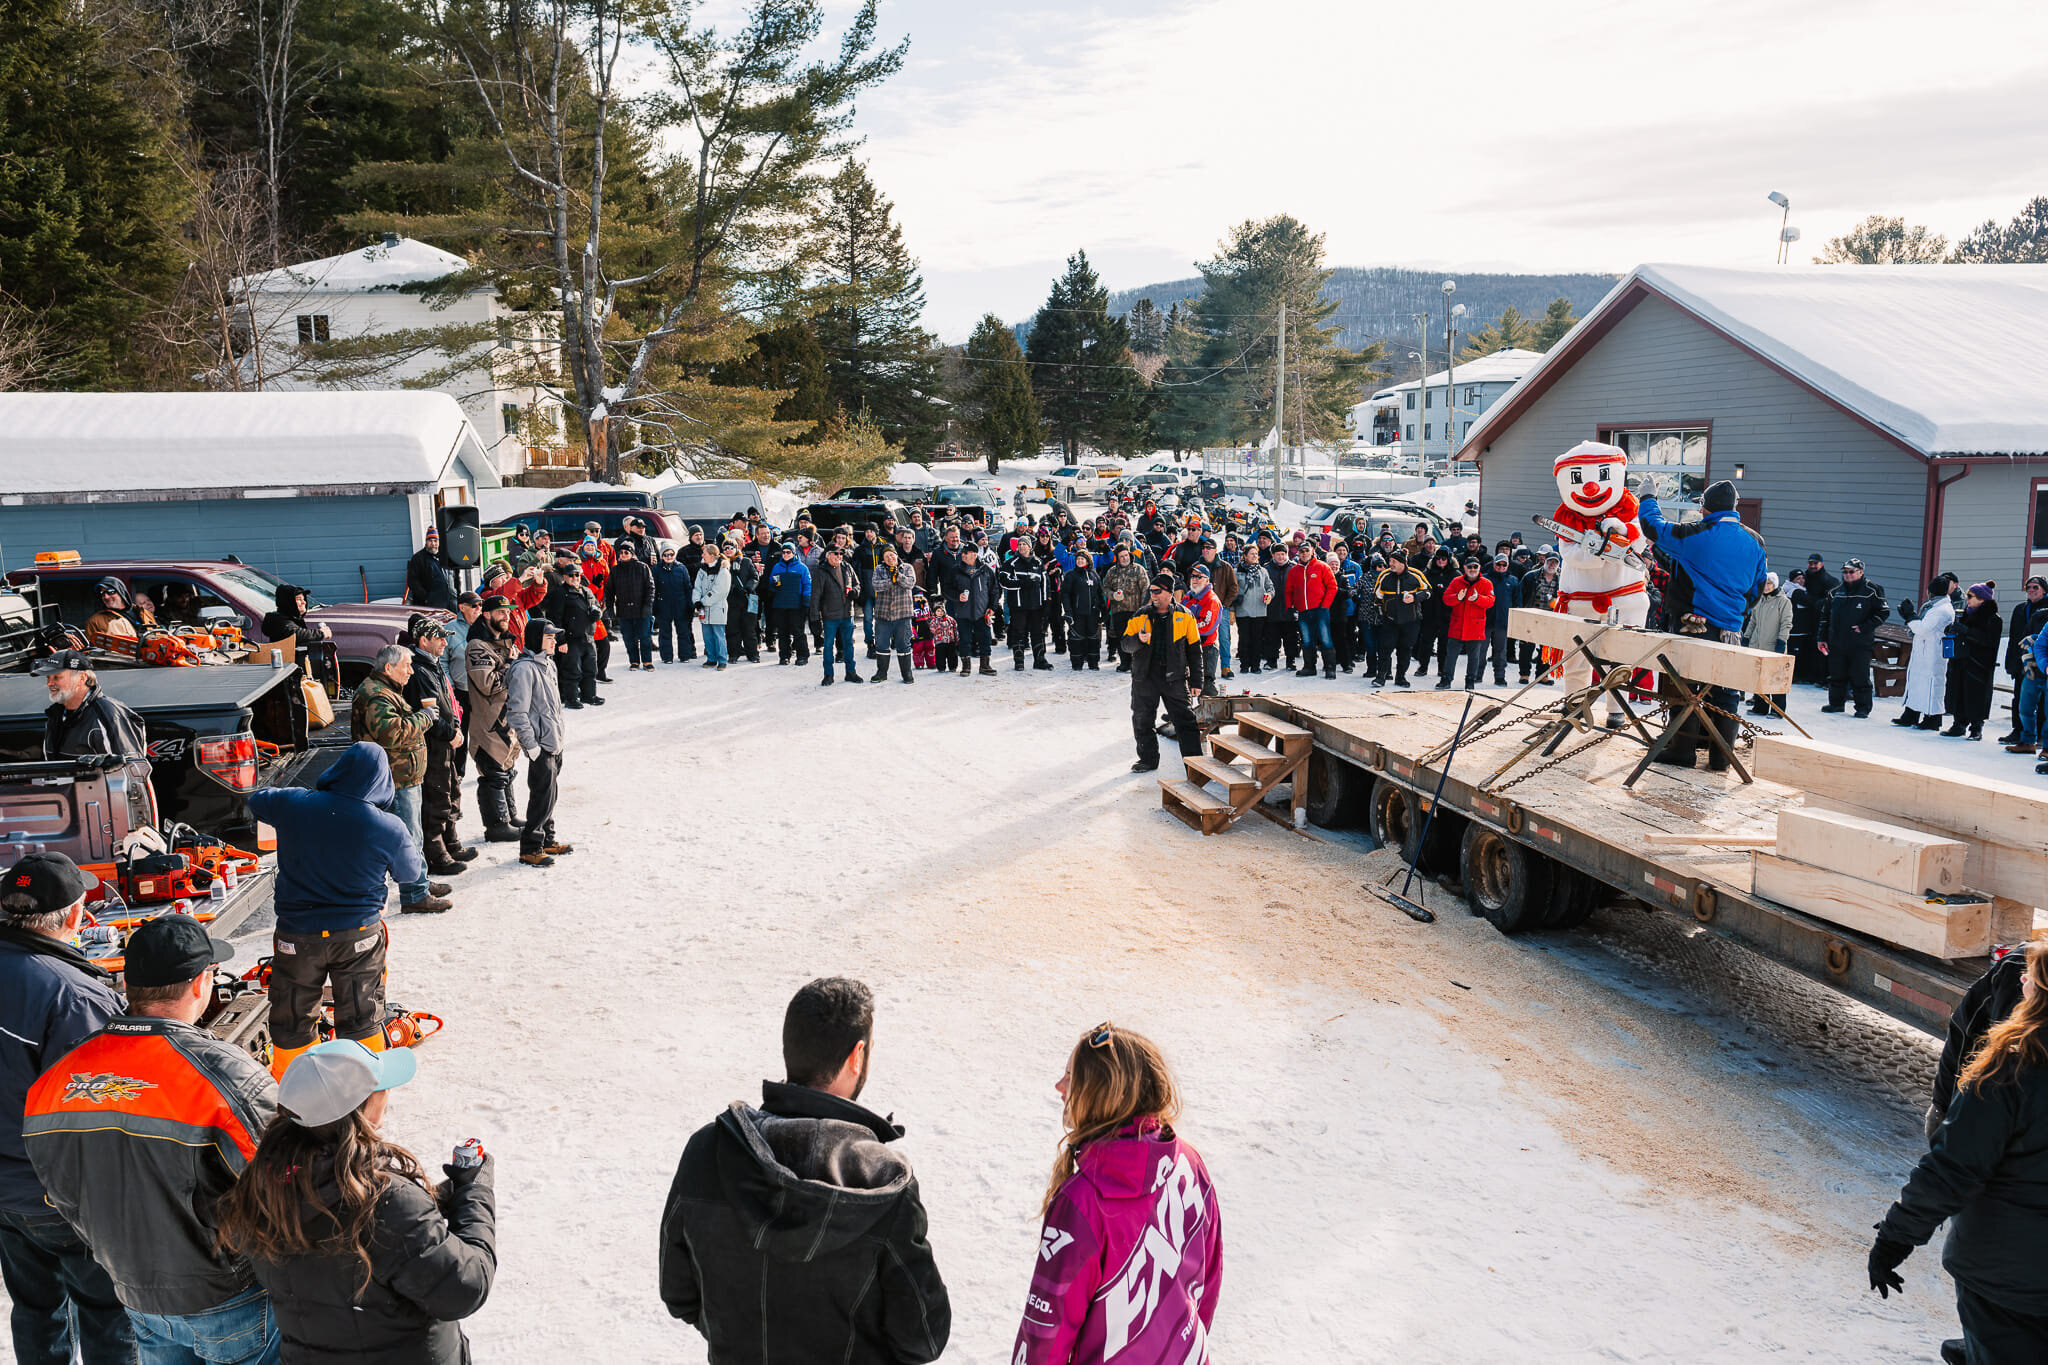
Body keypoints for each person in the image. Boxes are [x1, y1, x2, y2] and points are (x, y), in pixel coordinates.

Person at [24, 916, 281, 1365]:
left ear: (129, 983)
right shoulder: (223, 1074)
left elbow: (61, 1193)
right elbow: (286, 1184)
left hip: (135, 1295)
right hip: (230, 1297)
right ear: (202, 982)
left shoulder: (58, 1077)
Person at [659, 978, 950, 1365]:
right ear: (857, 1056)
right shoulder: (883, 1181)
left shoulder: (706, 1151)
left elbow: (679, 1294)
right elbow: (923, 1338)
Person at [216, 1041, 496, 1364]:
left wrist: (444, 1197)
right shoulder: (386, 1205)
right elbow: (465, 1287)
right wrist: (476, 1191)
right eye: (380, 1088)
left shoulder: (263, 1188)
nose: (387, 1094)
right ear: (360, 1110)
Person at [1871, 939, 2048, 1364]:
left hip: (2004, 1281)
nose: (2020, 979)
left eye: (2031, 978)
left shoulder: (2014, 1065)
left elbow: (1953, 1168)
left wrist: (1894, 1239)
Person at [1011, 1022, 1221, 1365]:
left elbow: (1046, 1334)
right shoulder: (1189, 1161)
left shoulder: (1082, 1202)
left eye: (1070, 1077)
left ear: (1100, 1094)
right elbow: (1207, 1284)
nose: (1059, 1087)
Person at [0, 853, 135, 1365]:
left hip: (8, 1193)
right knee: (106, 1311)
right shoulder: (72, 994)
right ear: (77, 917)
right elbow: (107, 1107)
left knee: (35, 1307)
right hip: (61, 1194)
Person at [247, 742, 429, 1079]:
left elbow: (256, 800)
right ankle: (363, 1094)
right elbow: (411, 875)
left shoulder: (295, 804)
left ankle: (295, 1092)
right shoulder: (387, 826)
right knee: (362, 1015)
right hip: (357, 935)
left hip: (296, 935)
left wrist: (303, 800)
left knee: (292, 1017)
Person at [1638, 479, 1768, 766]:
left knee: (1685, 687)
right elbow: (1758, 587)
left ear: (1705, 506)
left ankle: (1682, 751)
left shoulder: (1698, 532)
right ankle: (1722, 757)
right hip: (1732, 628)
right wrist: (1735, 613)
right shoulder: (1755, 541)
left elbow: (1653, 526)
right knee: (1725, 690)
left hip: (1693, 623)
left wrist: (1648, 496)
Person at [351, 644, 447, 912]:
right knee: (408, 838)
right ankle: (415, 894)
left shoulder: (385, 690)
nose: (411, 671)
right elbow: (393, 733)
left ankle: (420, 883)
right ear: (389, 668)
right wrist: (425, 718)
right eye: (407, 665)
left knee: (411, 835)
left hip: (402, 777)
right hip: (395, 779)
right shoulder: (376, 695)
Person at [404, 618, 471, 879]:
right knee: (436, 798)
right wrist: (449, 731)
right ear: (423, 640)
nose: (445, 642)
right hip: (433, 745)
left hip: (446, 740)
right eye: (439, 637)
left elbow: (448, 702)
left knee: (452, 791)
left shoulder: (433, 665)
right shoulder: (420, 670)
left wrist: (455, 727)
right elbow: (428, 712)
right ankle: (436, 855)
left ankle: (451, 843)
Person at [504, 617, 571, 868]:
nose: (554, 641)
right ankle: (531, 847)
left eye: (554, 637)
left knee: (550, 794)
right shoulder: (524, 669)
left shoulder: (548, 665)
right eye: (549, 637)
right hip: (540, 744)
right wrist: (531, 746)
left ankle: (547, 838)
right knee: (541, 795)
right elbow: (517, 712)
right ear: (535, 639)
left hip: (554, 741)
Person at [1122, 573, 1203, 773]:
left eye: (1157, 591)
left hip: (1174, 679)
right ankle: (1148, 760)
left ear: (1169, 593)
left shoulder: (1185, 615)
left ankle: (1195, 766)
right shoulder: (1140, 615)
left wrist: (1197, 681)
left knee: (1186, 722)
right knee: (1142, 720)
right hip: (1145, 677)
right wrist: (1138, 640)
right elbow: (1125, 645)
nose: (1153, 595)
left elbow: (1194, 651)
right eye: (1151, 591)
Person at [465, 595, 524, 843]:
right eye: (500, 612)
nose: (506, 616)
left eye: (508, 612)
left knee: (508, 769)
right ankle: (496, 825)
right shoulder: (477, 646)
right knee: (493, 774)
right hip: (489, 723)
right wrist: (511, 663)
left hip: (508, 720)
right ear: (486, 614)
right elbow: (488, 684)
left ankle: (509, 816)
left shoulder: (505, 643)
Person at [1819, 558, 1888, 717]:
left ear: (1861, 572)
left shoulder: (1872, 590)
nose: (1848, 575)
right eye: (1845, 572)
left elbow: (1883, 613)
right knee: (1836, 674)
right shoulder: (1835, 592)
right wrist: (1821, 638)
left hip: (1860, 642)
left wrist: (1864, 627)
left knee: (1860, 675)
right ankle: (1836, 703)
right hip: (1837, 641)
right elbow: (1824, 616)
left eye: (1851, 571)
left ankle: (1863, 707)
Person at [1942, 584, 2003, 740]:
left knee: (1977, 696)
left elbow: (1989, 641)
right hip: (1961, 660)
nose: (1967, 599)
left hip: (1979, 663)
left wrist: (1967, 631)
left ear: (1982, 599)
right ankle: (1958, 723)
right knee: (1958, 692)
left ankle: (1976, 727)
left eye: (1970, 596)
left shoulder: (1993, 618)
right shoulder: (1966, 614)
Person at [543, 552, 605, 708]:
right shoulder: (560, 594)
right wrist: (561, 640)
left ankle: (589, 695)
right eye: (571, 575)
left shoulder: (586, 591)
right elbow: (555, 619)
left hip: (588, 636)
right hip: (571, 639)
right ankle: (571, 698)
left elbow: (597, 606)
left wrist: (598, 613)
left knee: (590, 668)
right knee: (572, 670)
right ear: (565, 577)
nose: (575, 578)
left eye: (577, 575)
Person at [1897, 575, 1957, 732]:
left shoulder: (1941, 610)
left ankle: (1933, 719)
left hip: (1933, 653)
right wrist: (1909, 618)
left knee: (1932, 685)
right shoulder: (1933, 606)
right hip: (1923, 650)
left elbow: (1923, 628)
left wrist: (1910, 616)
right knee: (1917, 682)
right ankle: (1911, 713)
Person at [2000, 578, 2048, 750]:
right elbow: (2014, 638)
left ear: (2044, 590)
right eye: (2028, 588)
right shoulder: (2021, 609)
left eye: (2036, 587)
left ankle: (2041, 736)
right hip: (2025, 660)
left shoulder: (2046, 609)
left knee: (2042, 702)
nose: (2031, 590)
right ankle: (2019, 731)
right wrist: (2011, 662)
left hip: (2042, 663)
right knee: (2021, 698)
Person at [1373, 551, 1431, 688]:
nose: (1390, 564)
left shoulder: (1415, 575)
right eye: (1390, 561)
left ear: (1402, 563)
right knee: (1385, 649)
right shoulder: (1385, 575)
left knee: (1405, 649)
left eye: (1394, 561)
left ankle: (1400, 677)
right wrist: (1382, 612)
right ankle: (1380, 676)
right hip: (1390, 620)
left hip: (1411, 621)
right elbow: (1377, 597)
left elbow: (1428, 591)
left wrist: (1415, 597)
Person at [262, 583, 335, 687]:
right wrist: (321, 633)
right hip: (286, 679)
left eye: (303, 599)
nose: (304, 602)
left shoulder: (292, 618)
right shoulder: (279, 620)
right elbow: (295, 634)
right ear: (288, 602)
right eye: (298, 599)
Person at [811, 543, 863, 686]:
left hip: (847, 613)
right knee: (828, 646)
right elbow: (815, 597)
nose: (839, 556)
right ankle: (828, 675)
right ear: (828, 554)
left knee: (849, 645)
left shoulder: (847, 567)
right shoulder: (821, 572)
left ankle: (850, 672)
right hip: (830, 616)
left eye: (841, 554)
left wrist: (855, 592)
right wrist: (815, 618)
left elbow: (857, 584)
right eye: (836, 553)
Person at [1440, 556, 1494, 690]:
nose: (1472, 569)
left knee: (1474, 658)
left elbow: (1490, 601)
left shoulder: (1486, 583)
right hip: (1457, 625)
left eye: (1475, 566)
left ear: (1479, 567)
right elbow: (1446, 598)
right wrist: (1457, 598)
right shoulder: (1456, 581)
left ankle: (1470, 680)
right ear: (1464, 568)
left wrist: (1477, 599)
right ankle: (1446, 679)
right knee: (1451, 656)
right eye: (1469, 566)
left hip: (1475, 627)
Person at [1744, 572, 1794, 716]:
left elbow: (1786, 623)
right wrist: (1747, 637)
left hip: (1773, 645)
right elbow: (1753, 621)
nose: (1766, 587)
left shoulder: (1783, 602)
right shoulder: (1759, 601)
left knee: (1775, 678)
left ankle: (1778, 710)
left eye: (1769, 583)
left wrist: (1781, 641)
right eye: (1764, 583)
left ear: (1775, 584)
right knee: (1759, 678)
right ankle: (1760, 708)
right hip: (1757, 645)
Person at [1286, 546, 1338, 680]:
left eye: (1307, 551)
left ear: (1312, 552)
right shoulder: (1294, 570)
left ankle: (1330, 668)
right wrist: (1290, 607)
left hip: (1320, 610)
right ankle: (1309, 667)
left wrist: (1325, 606)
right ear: (1298, 553)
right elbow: (1289, 591)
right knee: (1307, 640)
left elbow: (1332, 586)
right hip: (1303, 611)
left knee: (1325, 638)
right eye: (1301, 551)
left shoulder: (1322, 567)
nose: (1304, 554)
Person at [606, 538, 657, 672]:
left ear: (632, 553)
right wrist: (610, 609)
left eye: (626, 552)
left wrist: (648, 606)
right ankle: (634, 661)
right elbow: (609, 591)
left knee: (644, 637)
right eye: (621, 553)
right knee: (629, 638)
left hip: (641, 609)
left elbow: (650, 588)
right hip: (624, 610)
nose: (623, 555)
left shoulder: (642, 567)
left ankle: (647, 661)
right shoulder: (615, 570)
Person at [870, 548, 918, 684]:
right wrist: (891, 581)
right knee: (881, 644)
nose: (890, 558)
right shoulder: (879, 569)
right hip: (883, 615)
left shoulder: (907, 567)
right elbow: (876, 585)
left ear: (896, 555)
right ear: (883, 559)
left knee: (904, 644)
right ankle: (881, 673)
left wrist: (898, 577)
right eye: (886, 556)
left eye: (891, 555)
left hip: (903, 614)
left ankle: (907, 673)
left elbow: (910, 583)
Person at [950, 543, 998, 676]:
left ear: (974, 554)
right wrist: (957, 596)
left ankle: (985, 665)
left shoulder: (985, 569)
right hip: (963, 612)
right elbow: (947, 589)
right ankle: (966, 666)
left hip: (982, 612)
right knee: (964, 639)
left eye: (966, 552)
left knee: (985, 639)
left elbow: (994, 590)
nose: (963, 555)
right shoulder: (956, 570)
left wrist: (992, 608)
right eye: (963, 552)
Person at [765, 543, 813, 666]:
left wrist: (806, 601)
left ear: (793, 553)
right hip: (780, 603)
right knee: (783, 632)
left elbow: (807, 584)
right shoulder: (777, 567)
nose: (786, 554)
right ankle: (784, 656)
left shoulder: (802, 568)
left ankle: (802, 655)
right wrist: (774, 585)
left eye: (788, 552)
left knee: (798, 631)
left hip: (796, 604)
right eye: (784, 552)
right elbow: (772, 582)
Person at [1103, 546, 1148, 674]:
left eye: (1126, 555)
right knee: (1121, 638)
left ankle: (1137, 664)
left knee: (1136, 638)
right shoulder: (1112, 571)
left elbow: (1146, 589)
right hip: (1118, 610)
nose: (1124, 558)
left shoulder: (1138, 570)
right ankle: (1125, 663)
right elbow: (1105, 588)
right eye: (1121, 556)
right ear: (1118, 558)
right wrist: (1113, 595)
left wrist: (1144, 608)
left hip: (1136, 611)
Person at [1062, 547, 1105, 672]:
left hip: (1092, 613)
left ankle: (1093, 663)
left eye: (1082, 559)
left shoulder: (1094, 574)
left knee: (1093, 638)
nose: (1080, 561)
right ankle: (1077, 663)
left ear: (1088, 561)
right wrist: (1068, 612)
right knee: (1077, 638)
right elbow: (1065, 595)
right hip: (1077, 613)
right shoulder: (1071, 575)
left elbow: (1100, 593)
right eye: (1078, 559)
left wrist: (1103, 610)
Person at [653, 544, 696, 664]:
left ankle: (685, 655)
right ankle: (667, 656)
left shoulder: (681, 568)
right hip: (664, 604)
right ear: (662, 556)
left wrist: (690, 605)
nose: (668, 557)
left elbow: (688, 587)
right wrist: (654, 606)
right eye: (666, 555)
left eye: (671, 554)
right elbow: (653, 589)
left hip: (680, 604)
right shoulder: (656, 569)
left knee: (683, 631)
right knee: (665, 632)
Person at [1233, 546, 1272, 676]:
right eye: (1251, 554)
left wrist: (1270, 595)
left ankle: (1255, 665)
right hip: (1243, 610)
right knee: (1244, 639)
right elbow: (1233, 591)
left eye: (1256, 554)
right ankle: (1244, 664)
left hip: (1259, 610)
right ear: (1245, 555)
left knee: (1257, 639)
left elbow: (1270, 587)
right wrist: (1232, 610)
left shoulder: (1263, 571)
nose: (1254, 556)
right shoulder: (1237, 571)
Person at [1482, 551, 1519, 685]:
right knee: (1481, 650)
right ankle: (1476, 675)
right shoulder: (1485, 578)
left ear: (1508, 566)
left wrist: (1514, 621)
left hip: (1502, 622)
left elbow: (1516, 602)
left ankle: (1499, 677)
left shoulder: (1513, 581)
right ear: (1493, 564)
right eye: (1498, 564)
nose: (1501, 567)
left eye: (1504, 565)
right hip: (1485, 620)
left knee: (1500, 651)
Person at [695, 544, 733, 671]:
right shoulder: (702, 570)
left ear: (712, 555)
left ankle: (722, 659)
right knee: (707, 636)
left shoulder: (723, 571)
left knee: (718, 635)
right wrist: (696, 601)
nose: (702, 556)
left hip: (717, 608)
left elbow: (720, 591)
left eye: (704, 554)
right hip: (704, 609)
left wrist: (703, 601)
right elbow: (697, 587)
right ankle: (711, 658)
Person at [404, 528, 458, 611]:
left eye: (435, 541)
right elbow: (412, 582)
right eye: (430, 541)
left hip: (451, 603)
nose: (433, 544)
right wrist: (426, 598)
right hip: (431, 605)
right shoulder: (418, 558)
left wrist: (457, 593)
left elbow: (456, 577)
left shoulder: (446, 557)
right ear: (426, 542)